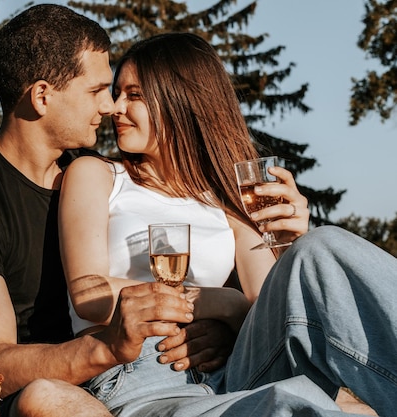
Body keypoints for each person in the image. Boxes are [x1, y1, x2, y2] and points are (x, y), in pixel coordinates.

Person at [0, 6, 240, 417]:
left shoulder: (95, 175)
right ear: (42, 97)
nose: (110, 107)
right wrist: (104, 348)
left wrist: (215, 329)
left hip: (153, 375)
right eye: (96, 91)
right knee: (47, 399)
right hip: (42, 398)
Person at [59, 32, 397, 416]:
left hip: (238, 368)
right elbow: (90, 298)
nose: (114, 107)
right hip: (145, 378)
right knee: (288, 406)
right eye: (118, 93)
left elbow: (265, 305)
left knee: (321, 246)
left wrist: (288, 246)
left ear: (179, 100)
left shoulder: (227, 198)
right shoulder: (98, 174)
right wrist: (221, 302)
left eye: (133, 95)